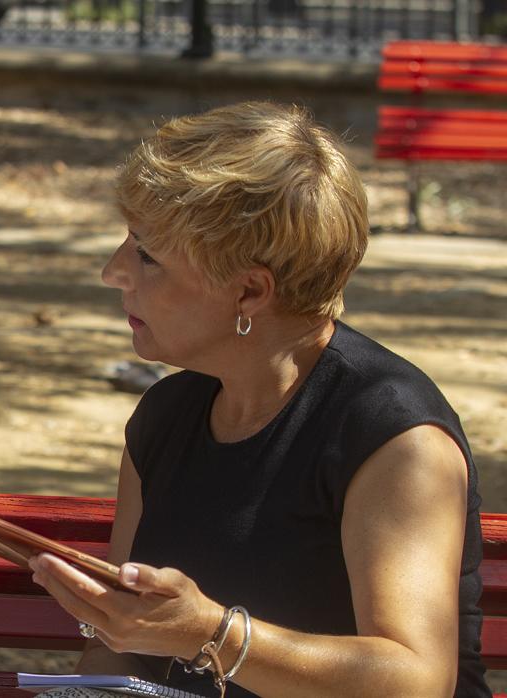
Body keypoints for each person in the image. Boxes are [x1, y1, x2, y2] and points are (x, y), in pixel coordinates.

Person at [29, 102, 491, 697]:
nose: (113, 271)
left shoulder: (393, 435)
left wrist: (211, 633)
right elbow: (119, 653)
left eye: (148, 255)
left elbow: (415, 681)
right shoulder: (165, 417)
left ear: (249, 291)